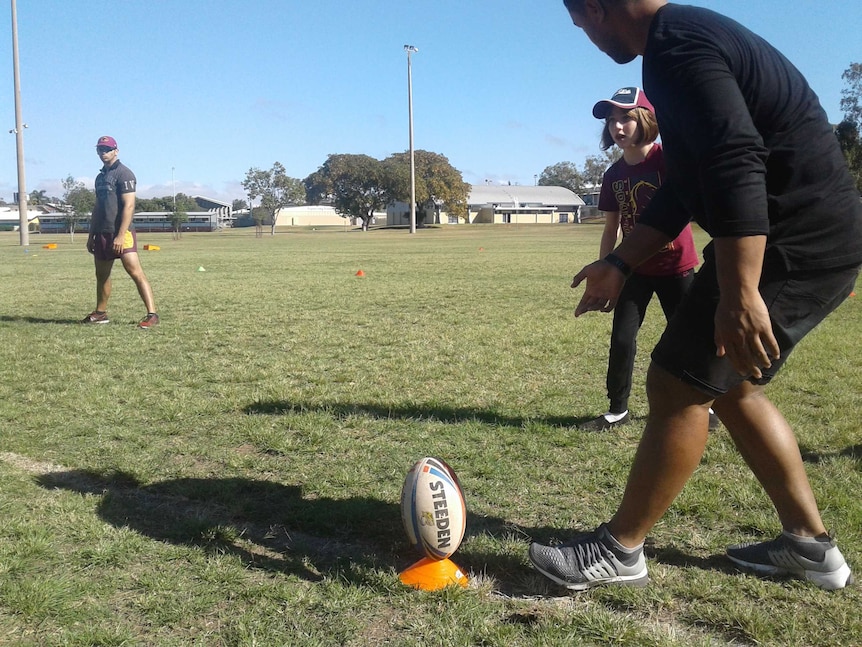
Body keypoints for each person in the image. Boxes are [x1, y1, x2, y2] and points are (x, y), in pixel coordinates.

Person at [529, 0, 862, 591]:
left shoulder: (679, 47)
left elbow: (737, 163)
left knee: (677, 381)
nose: (587, 38)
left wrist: (740, 292)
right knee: (730, 387)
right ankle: (810, 548)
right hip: (809, 237)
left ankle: (620, 551)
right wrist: (617, 261)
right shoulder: (680, 40)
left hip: (794, 241)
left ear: (598, 7)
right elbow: (685, 182)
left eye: (580, 25)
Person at [579, 86, 704, 431]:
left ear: (646, 120)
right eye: (611, 121)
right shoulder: (613, 176)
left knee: (689, 339)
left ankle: (703, 405)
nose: (617, 127)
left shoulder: (669, 160)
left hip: (677, 268)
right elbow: (611, 229)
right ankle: (617, 410)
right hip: (633, 270)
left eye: (626, 118)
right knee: (622, 339)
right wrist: (606, 271)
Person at [82, 136, 159, 329]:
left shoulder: (124, 174)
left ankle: (152, 314)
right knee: (102, 276)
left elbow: (129, 206)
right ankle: (100, 313)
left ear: (116, 151)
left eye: (107, 149)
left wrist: (120, 235)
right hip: (102, 233)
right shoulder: (100, 177)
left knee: (135, 272)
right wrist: (91, 235)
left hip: (121, 233)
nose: (103, 153)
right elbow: (97, 208)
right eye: (100, 149)